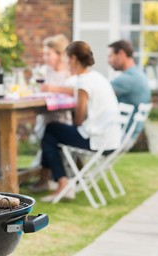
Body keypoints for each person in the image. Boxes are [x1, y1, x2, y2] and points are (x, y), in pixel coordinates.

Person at [40, 41, 122, 202]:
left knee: (50, 130)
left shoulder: (83, 83)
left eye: (67, 59)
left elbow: (78, 119)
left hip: (97, 141)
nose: (66, 63)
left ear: (74, 59)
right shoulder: (97, 77)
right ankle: (58, 180)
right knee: (54, 132)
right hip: (111, 140)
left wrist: (72, 126)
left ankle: (62, 183)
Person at [29, 34, 75, 192]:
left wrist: (52, 88)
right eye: (44, 54)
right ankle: (45, 180)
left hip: (62, 118)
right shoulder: (43, 71)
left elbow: (75, 91)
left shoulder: (69, 73)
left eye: (49, 54)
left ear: (60, 54)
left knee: (49, 138)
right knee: (47, 136)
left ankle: (48, 180)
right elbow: (34, 87)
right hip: (45, 116)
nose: (45, 57)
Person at [108, 40, 152, 138]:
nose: (108, 60)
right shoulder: (138, 75)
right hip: (128, 135)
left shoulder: (128, 78)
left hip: (119, 135)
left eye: (110, 56)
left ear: (121, 54)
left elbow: (98, 93)